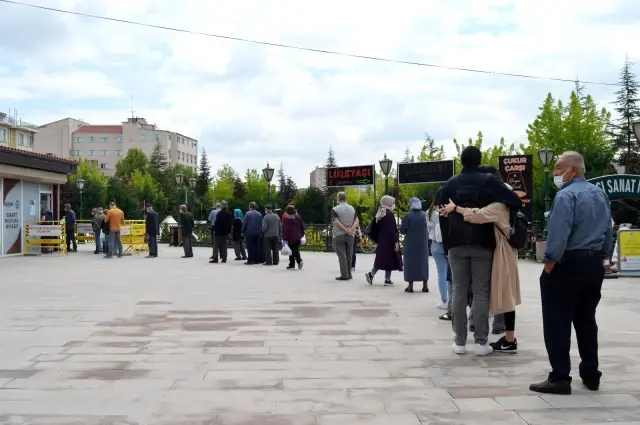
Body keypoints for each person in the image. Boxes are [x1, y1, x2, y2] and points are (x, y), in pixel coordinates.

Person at [529, 151, 612, 395]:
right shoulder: (600, 194)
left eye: (558, 167)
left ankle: (560, 377)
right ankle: (590, 372)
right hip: (593, 263)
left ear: (573, 169)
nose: (555, 173)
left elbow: (559, 234)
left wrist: (550, 262)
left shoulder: (565, 196)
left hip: (568, 262)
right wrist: (603, 256)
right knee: (586, 320)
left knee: (557, 321)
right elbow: (608, 229)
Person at [438, 146, 521, 356]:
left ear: (461, 160)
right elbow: (515, 201)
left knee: (458, 290)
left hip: (456, 244)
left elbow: (441, 214)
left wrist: (448, 241)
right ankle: (481, 343)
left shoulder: (450, 184)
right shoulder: (489, 182)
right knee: (481, 291)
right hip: (483, 243)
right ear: (480, 160)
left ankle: (459, 342)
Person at [366, 195, 402, 286]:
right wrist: (396, 241)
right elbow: (392, 229)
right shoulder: (388, 214)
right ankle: (381, 277)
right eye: (392, 203)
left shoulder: (381, 212)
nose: (393, 205)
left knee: (383, 259)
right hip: (389, 241)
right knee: (386, 259)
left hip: (382, 240)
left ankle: (383, 278)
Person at [399, 197, 429, 293]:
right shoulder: (425, 215)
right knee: (423, 262)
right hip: (423, 243)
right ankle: (425, 285)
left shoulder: (408, 216)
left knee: (410, 263)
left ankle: (410, 286)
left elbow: (402, 230)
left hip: (410, 244)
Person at [428, 188, 449, 308]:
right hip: (447, 244)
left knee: (441, 272)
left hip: (435, 244)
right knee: (450, 274)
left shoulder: (429, 212)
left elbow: (428, 229)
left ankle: (443, 300)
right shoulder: (447, 210)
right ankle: (452, 300)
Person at [331, 192, 358, 281]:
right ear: (346, 198)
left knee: (342, 256)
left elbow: (336, 222)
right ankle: (349, 274)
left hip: (339, 234)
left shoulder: (335, 209)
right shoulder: (352, 209)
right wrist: (351, 229)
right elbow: (357, 220)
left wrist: (345, 229)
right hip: (350, 235)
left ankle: (344, 275)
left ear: (338, 199)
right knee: (349, 254)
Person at [282, 204, 305, 270]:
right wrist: (302, 234)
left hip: (290, 237)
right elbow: (302, 225)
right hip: (298, 236)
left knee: (293, 250)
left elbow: (285, 228)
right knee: (294, 249)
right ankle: (291, 264)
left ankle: (299, 261)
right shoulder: (298, 216)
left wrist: (284, 237)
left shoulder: (286, 218)